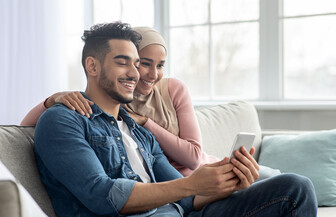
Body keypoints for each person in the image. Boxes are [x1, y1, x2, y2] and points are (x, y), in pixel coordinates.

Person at [33, 21, 317, 217]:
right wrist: (192, 183)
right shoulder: (63, 120)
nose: (135, 73)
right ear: (92, 66)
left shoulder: (140, 130)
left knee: (296, 188)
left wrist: (224, 182)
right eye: (123, 62)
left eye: (136, 63)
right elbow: (101, 194)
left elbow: (186, 199)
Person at [22, 27, 280, 179]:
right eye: (143, 63)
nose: (150, 74)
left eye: (160, 66)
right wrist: (53, 99)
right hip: (187, 186)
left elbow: (193, 156)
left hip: (204, 171)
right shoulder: (113, 100)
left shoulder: (172, 90)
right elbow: (25, 127)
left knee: (281, 180)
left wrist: (146, 122)